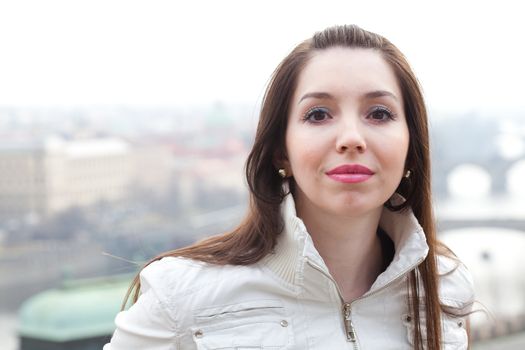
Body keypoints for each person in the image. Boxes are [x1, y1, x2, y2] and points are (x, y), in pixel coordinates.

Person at [104, 24, 474, 350]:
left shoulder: (444, 288)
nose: (351, 138)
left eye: (379, 113)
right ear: (281, 150)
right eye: (318, 114)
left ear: (411, 147)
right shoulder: (180, 296)